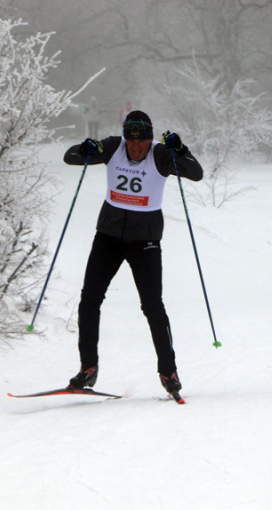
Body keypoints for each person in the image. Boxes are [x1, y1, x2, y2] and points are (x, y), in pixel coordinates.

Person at [62, 110, 203, 395]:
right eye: (132, 142)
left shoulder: (161, 154)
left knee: (152, 306)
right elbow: (71, 157)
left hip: (145, 242)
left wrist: (182, 150)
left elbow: (196, 174)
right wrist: (84, 148)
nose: (136, 148)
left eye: (142, 142)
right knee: (89, 300)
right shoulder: (113, 146)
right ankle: (88, 368)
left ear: (150, 139)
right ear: (125, 138)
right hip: (108, 238)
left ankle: (168, 371)